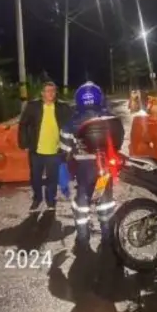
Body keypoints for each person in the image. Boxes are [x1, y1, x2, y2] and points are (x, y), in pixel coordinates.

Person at [60, 81, 125, 254]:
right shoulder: (109, 117)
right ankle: (108, 238)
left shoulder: (71, 122)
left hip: (83, 168)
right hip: (104, 167)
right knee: (106, 204)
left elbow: (64, 148)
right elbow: (119, 138)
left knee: (82, 203)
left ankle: (82, 239)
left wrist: (63, 168)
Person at [17, 81, 73, 212]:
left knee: (52, 178)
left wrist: (69, 145)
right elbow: (23, 124)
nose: (51, 93)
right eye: (48, 91)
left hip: (54, 150)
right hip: (36, 150)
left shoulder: (62, 108)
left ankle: (50, 200)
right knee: (35, 177)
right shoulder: (33, 106)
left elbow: (71, 124)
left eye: (53, 91)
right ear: (42, 93)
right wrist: (24, 143)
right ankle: (37, 199)